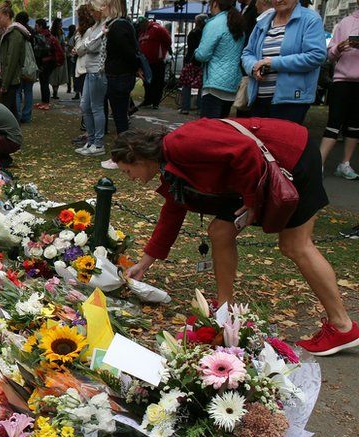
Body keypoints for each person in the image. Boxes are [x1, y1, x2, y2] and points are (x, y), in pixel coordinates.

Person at [114, 121, 359, 356]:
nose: (130, 178)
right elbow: (172, 213)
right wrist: (144, 264)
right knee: (220, 231)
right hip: (258, 174)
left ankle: (343, 327)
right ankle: (225, 309)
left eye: (127, 171)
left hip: (291, 157)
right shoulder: (170, 167)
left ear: (137, 158)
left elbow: (245, 150)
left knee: (296, 245)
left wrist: (251, 201)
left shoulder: (180, 144)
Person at [241, 0, 325, 124]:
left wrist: (274, 63)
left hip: (291, 101)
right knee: (259, 142)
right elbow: (247, 53)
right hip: (259, 98)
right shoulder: (264, 21)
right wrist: (253, 66)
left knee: (282, 141)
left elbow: (316, 56)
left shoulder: (310, 19)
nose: (278, 0)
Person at [319, 5, 359, 179]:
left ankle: (345, 164)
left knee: (355, 125)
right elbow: (330, 55)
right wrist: (339, 48)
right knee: (333, 123)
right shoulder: (346, 22)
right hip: (342, 81)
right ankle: (318, 163)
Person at [101, 0, 139, 169]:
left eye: (103, 6)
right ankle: (122, 155)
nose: (101, 10)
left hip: (120, 77)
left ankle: (122, 156)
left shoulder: (119, 26)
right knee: (119, 117)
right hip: (119, 76)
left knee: (120, 118)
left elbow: (129, 53)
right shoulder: (119, 26)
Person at [195, 0, 245, 118]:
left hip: (214, 83)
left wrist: (196, 51)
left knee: (208, 127)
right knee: (221, 125)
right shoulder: (237, 22)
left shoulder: (214, 24)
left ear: (215, 3)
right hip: (232, 81)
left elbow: (202, 54)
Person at [76, 0, 108, 156]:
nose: (90, 14)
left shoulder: (103, 27)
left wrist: (86, 44)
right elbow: (81, 48)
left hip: (97, 71)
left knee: (96, 107)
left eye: (92, 11)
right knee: (86, 106)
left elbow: (90, 47)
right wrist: (86, 44)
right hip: (90, 71)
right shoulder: (94, 28)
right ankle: (91, 140)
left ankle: (98, 143)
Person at [0, 3, 28, 120]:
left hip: (11, 79)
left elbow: (11, 61)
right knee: (11, 111)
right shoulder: (8, 32)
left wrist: (5, 83)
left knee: (6, 113)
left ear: (7, 15)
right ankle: (12, 136)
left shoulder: (14, 34)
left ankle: (8, 136)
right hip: (9, 78)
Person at [137, 17, 171, 108]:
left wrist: (162, 53)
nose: (141, 27)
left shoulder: (158, 29)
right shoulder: (142, 32)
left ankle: (156, 102)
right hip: (146, 62)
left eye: (142, 25)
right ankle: (148, 99)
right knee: (147, 81)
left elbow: (168, 41)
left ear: (146, 23)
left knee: (157, 81)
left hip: (157, 61)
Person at [179, 14, 207, 114]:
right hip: (201, 62)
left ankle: (185, 107)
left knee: (187, 84)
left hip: (192, 61)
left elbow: (191, 48)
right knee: (202, 85)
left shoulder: (193, 33)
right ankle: (200, 108)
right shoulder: (206, 33)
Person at [33, 18, 63, 109]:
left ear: (41, 26)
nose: (35, 27)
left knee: (44, 81)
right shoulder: (48, 36)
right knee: (43, 81)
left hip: (47, 62)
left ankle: (46, 102)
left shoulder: (45, 36)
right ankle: (44, 101)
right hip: (49, 61)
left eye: (37, 26)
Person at [15, 12, 38, 122]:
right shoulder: (32, 32)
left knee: (18, 91)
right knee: (28, 91)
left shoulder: (17, 31)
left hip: (19, 65)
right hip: (30, 66)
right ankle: (27, 116)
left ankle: (18, 115)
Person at [72, 6, 96, 101]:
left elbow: (80, 49)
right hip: (87, 68)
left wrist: (77, 37)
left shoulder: (88, 31)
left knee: (88, 103)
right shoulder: (91, 29)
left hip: (86, 68)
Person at [49, 18, 69, 100]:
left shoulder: (51, 33)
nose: (62, 25)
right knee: (58, 74)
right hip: (60, 55)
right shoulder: (61, 33)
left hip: (53, 56)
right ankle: (55, 91)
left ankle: (54, 91)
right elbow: (63, 44)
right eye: (61, 23)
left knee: (54, 74)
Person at [66, 24, 78, 94]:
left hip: (69, 57)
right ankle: (76, 91)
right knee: (74, 74)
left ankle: (69, 88)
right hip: (73, 57)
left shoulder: (68, 37)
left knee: (70, 73)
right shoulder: (75, 37)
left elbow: (69, 47)